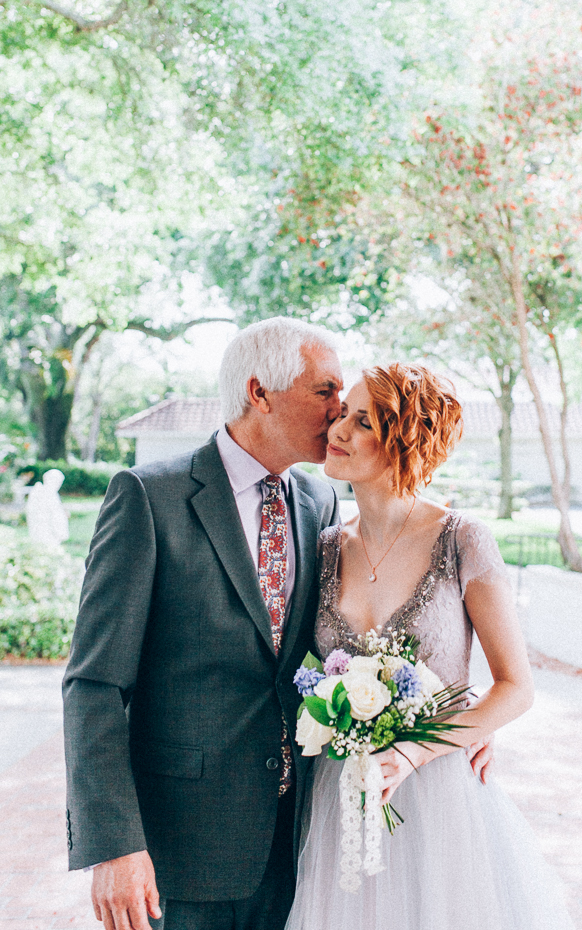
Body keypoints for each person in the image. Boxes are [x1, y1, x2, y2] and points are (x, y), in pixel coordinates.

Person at [63, 317, 345, 930]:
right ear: (259, 392)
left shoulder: (321, 503)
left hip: (295, 847)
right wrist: (113, 845)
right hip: (178, 854)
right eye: (324, 390)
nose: (341, 408)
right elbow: (95, 685)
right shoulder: (147, 498)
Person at [285, 363, 575, 930]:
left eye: (362, 422)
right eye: (344, 414)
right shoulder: (322, 547)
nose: (338, 430)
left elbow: (515, 686)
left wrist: (416, 750)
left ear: (404, 441)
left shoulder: (463, 539)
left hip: (439, 799)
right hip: (342, 798)